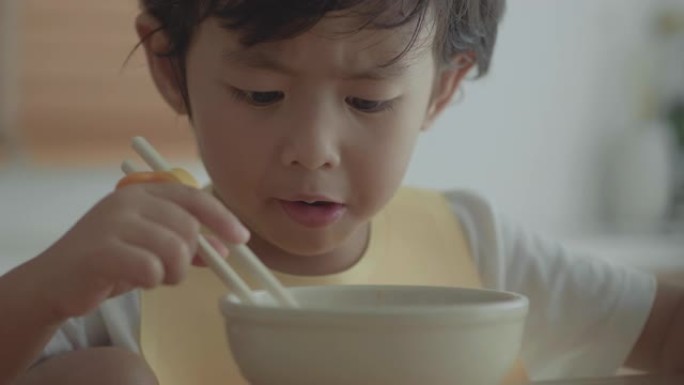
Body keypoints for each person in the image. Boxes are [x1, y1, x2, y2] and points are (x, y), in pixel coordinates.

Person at [3, 0, 684, 384]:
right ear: (169, 66)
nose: (313, 147)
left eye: (368, 100)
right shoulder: (131, 280)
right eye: (260, 93)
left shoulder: (479, 250)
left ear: (443, 88)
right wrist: (43, 288)